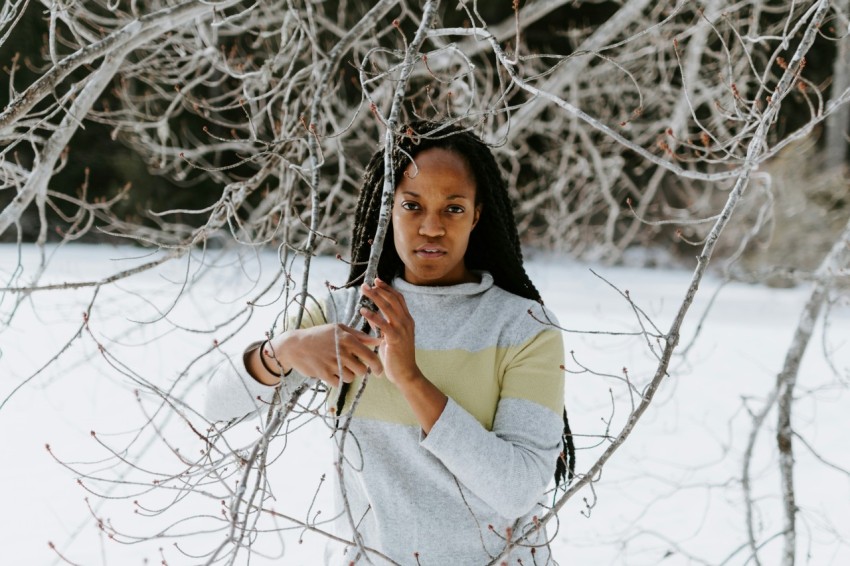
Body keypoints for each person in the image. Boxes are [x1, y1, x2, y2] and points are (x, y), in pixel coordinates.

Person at [205, 120, 574, 565]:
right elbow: (215, 407)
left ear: (477, 215)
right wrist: (282, 351)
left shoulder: (524, 328)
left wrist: (411, 379)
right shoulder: (346, 315)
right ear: (388, 210)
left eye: (453, 209)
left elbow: (517, 490)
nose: (432, 228)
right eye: (412, 206)